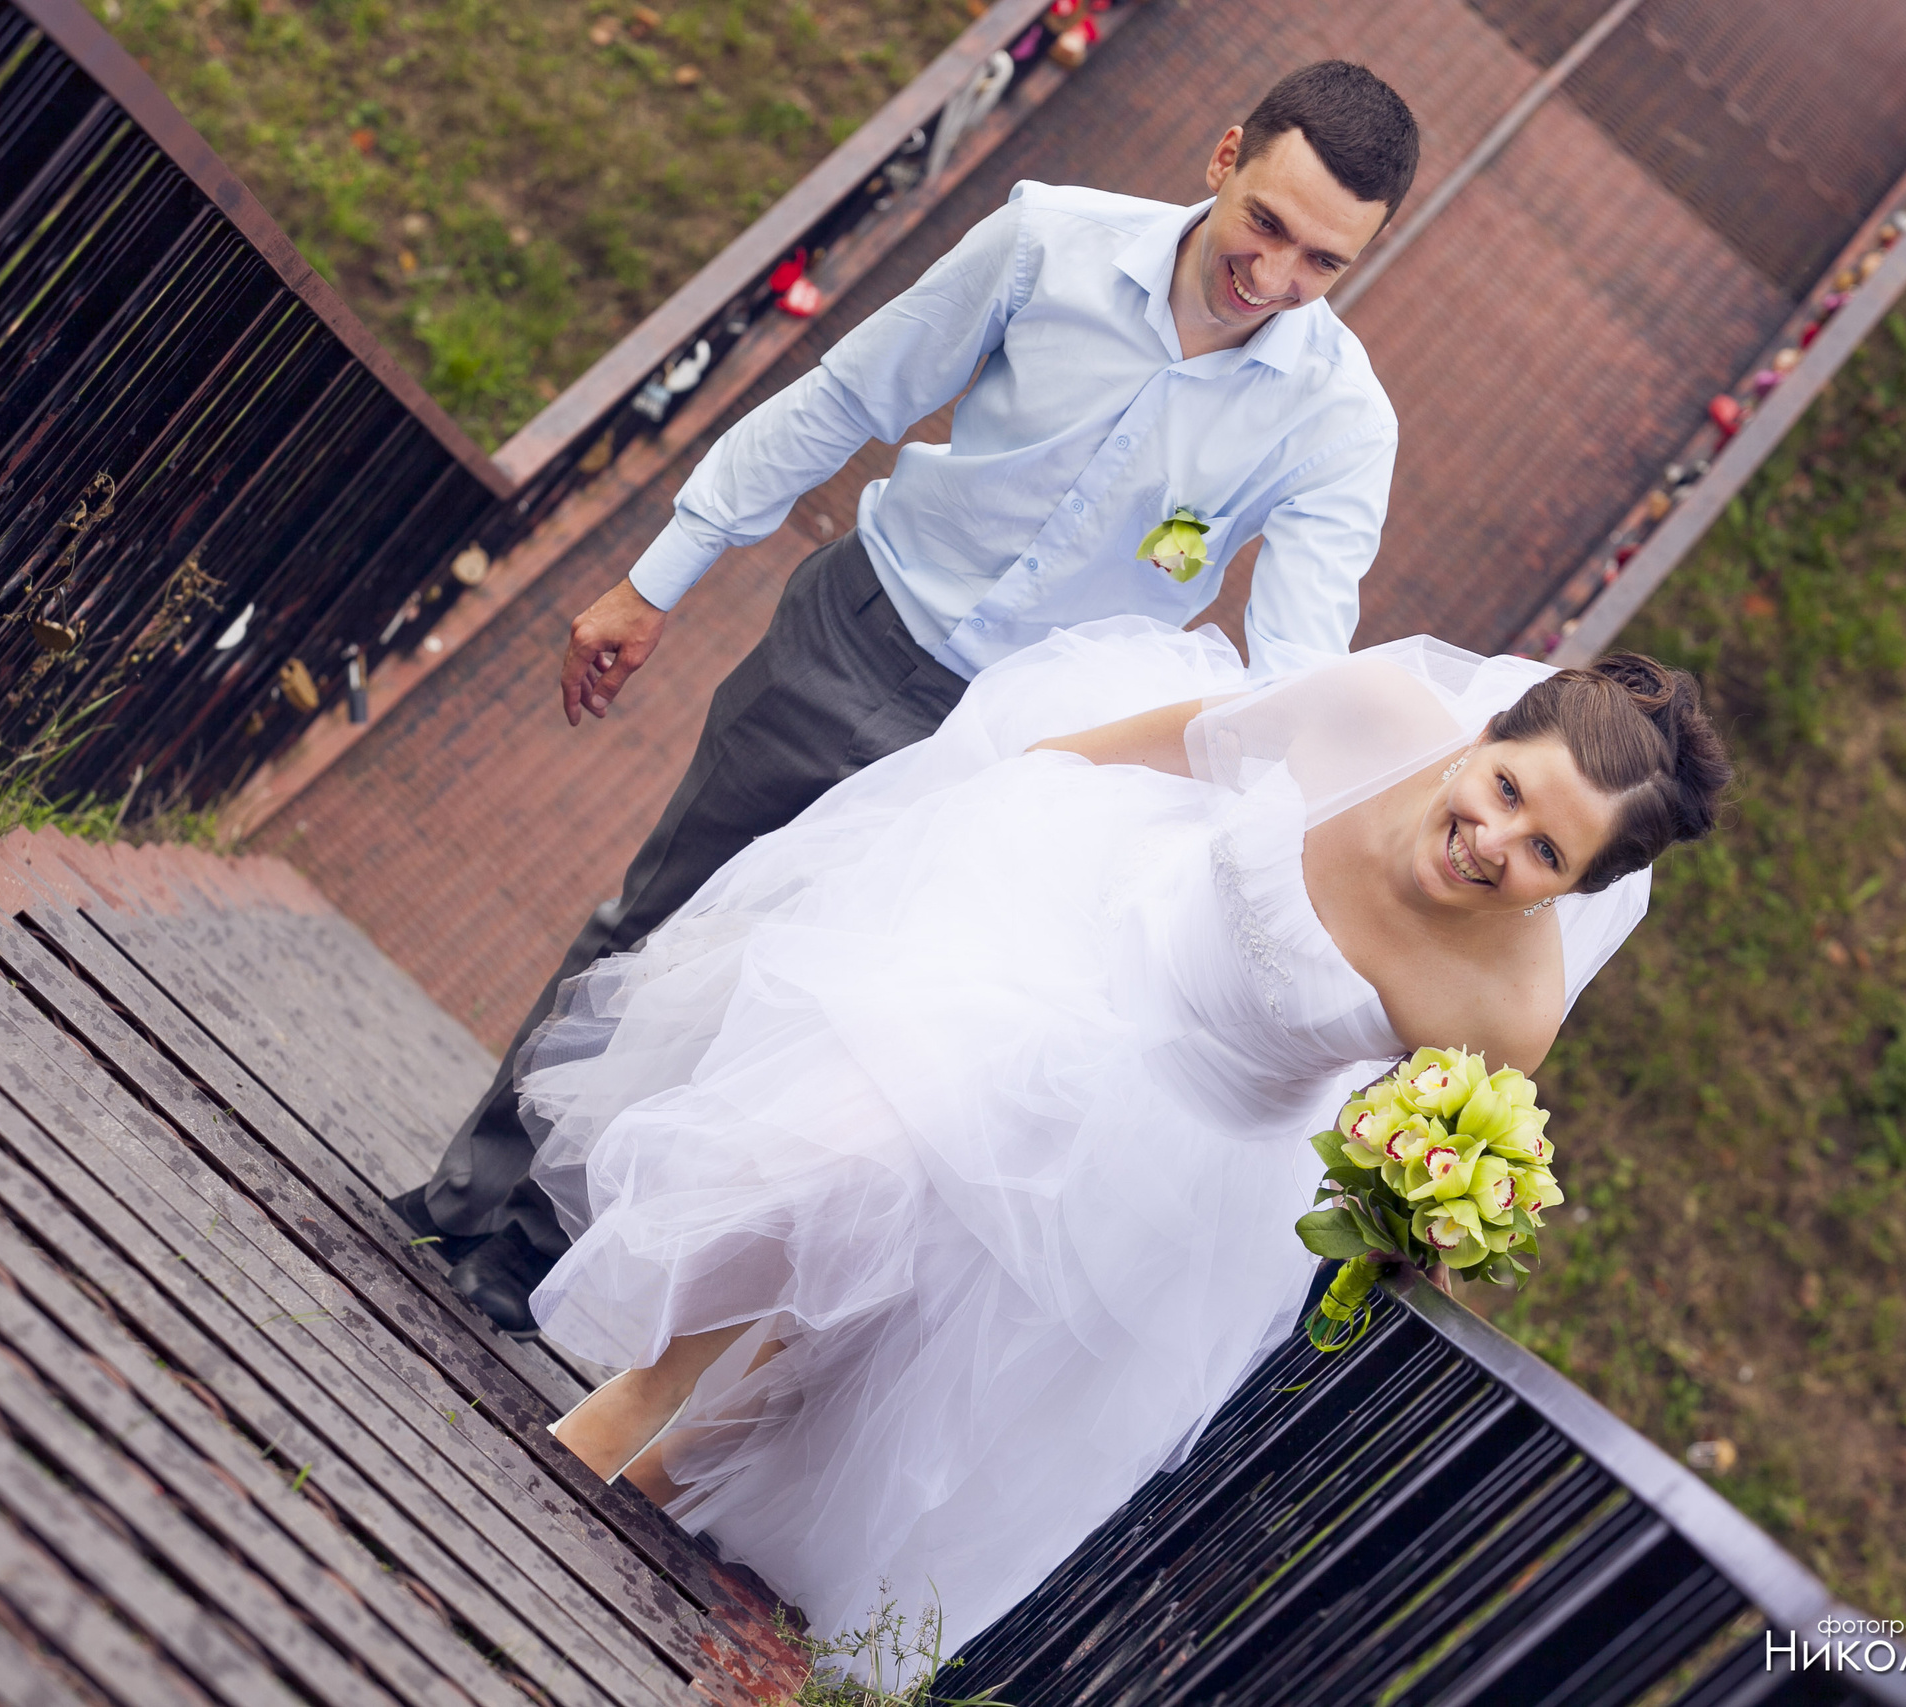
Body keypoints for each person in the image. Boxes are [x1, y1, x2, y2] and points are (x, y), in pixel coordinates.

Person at [396, 62, 1422, 1328]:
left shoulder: (1337, 424)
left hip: (1012, 761)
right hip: (853, 637)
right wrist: (653, 582)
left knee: (761, 1000)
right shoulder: (1047, 240)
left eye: (1322, 262)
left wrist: (1266, 878)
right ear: (1222, 160)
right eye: (1265, 223)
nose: (1271, 277)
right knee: (648, 923)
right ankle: (460, 1196)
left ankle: (540, 1253)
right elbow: (844, 397)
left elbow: (1296, 672)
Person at [522, 615, 1734, 1662]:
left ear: (1572, 892)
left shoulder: (1504, 1010)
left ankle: (670, 1493)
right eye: (1507, 791)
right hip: (1076, 952)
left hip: (1193, 1151)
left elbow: (1402, 1149)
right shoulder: (1368, 712)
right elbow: (1149, 748)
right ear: (1482, 739)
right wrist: (978, 809)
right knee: (847, 1156)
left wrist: (1430, 1210)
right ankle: (647, 1391)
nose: (1491, 844)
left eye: (1543, 856)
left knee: (915, 1358)